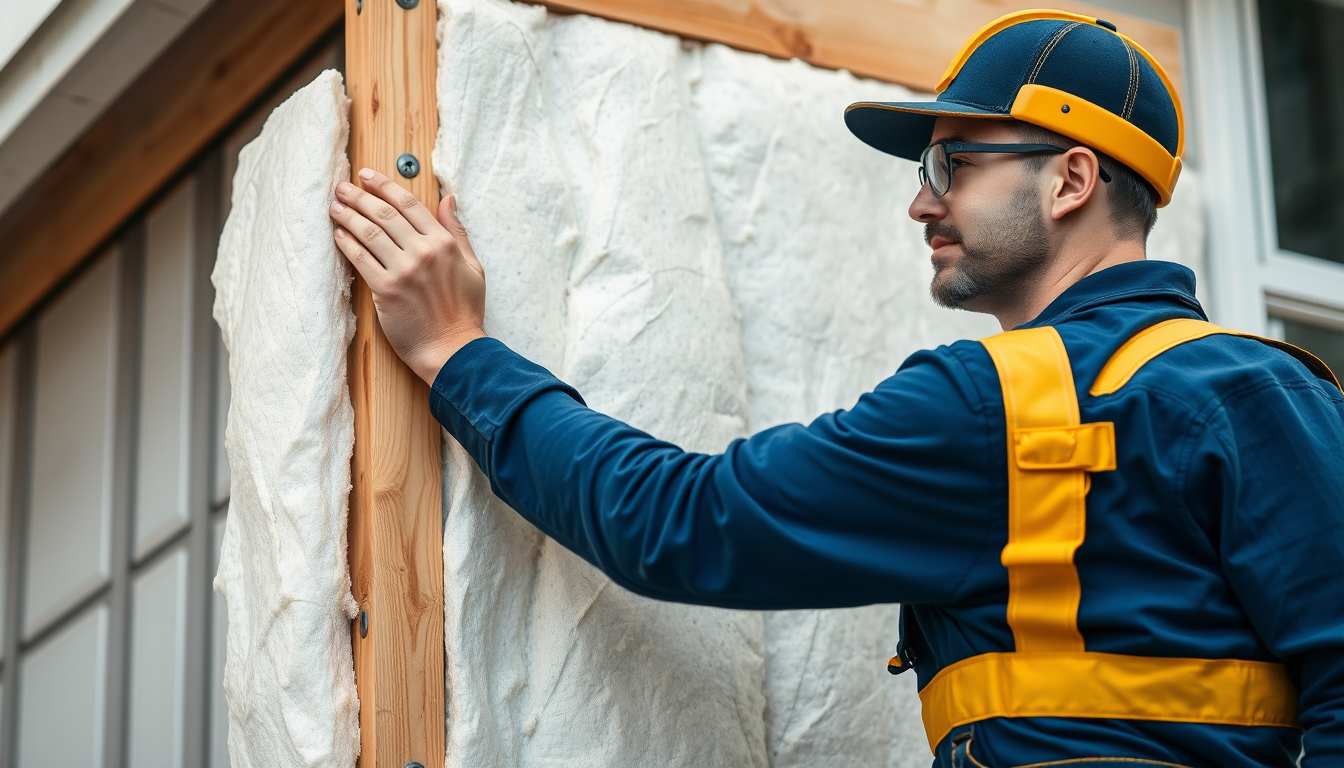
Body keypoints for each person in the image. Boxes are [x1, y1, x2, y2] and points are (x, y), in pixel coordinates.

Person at [326, 10, 1344, 767]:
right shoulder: (1274, 391)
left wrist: (461, 353)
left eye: (951, 163)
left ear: (1070, 181)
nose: (919, 202)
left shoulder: (995, 404)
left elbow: (680, 521)